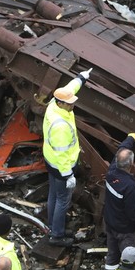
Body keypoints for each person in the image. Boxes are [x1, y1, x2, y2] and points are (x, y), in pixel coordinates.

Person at [43, 68, 92, 247]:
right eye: (69, 103)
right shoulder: (60, 125)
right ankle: (57, 235)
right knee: (62, 200)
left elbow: (69, 88)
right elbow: (62, 153)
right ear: (62, 103)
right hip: (61, 167)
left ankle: (53, 226)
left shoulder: (54, 105)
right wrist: (68, 175)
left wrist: (81, 78)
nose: (72, 105)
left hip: (51, 162)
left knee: (53, 195)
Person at [102, 132, 135, 270]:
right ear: (131, 164)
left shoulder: (111, 171)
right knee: (129, 259)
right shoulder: (130, 187)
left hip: (110, 223)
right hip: (124, 230)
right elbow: (133, 213)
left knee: (112, 255)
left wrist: (130, 139)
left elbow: (121, 150)